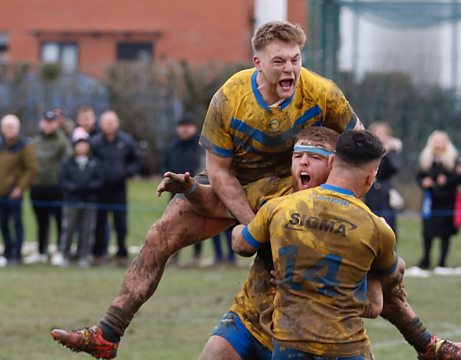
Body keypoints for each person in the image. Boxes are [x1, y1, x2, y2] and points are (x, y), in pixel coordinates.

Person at [51, 20, 362, 360]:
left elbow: (360, 146)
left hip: (290, 186)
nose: (290, 69)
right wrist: (253, 227)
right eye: (279, 61)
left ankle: (396, 335)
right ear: (257, 63)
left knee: (338, 258)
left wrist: (345, 200)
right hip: (231, 185)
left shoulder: (321, 92)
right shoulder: (230, 97)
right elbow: (219, 172)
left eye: (295, 59)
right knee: (159, 235)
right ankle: (107, 334)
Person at [232, 130, 461, 359]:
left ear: (332, 162)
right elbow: (390, 282)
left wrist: (240, 227)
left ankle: (427, 343)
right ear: (372, 176)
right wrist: (393, 257)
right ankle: (427, 344)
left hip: (288, 343)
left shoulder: (279, 207)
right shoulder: (375, 227)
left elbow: (242, 245)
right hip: (344, 345)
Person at [90, 110, 141, 266]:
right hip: (100, 189)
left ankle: (121, 253)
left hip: (119, 189)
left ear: (117, 124)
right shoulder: (95, 142)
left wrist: (127, 172)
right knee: (99, 222)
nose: (109, 125)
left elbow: (137, 160)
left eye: (112, 122)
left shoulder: (126, 141)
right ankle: (98, 253)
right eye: (106, 122)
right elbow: (89, 160)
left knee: (120, 223)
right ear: (101, 124)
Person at [160, 114, 211, 266]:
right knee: (173, 224)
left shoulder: (201, 146)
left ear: (194, 128)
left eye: (187, 127)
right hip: (174, 191)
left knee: (197, 223)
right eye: (181, 127)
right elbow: (164, 165)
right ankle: (174, 255)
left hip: (196, 189)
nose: (184, 130)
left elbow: (203, 166)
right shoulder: (173, 146)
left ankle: (197, 255)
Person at [24, 110, 70, 265]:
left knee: (58, 221)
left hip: (56, 187)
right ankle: (42, 251)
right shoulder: (35, 141)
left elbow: (67, 162)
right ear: (42, 123)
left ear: (56, 123)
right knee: (41, 222)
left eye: (52, 122)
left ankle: (59, 251)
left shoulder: (61, 141)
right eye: (46, 121)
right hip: (37, 187)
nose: (48, 125)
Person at [416, 130, 461, 269]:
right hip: (430, 202)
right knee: (427, 232)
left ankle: (442, 261)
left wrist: (446, 180)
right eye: (435, 140)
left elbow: (458, 178)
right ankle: (426, 258)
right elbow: (419, 176)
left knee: (445, 234)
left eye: (440, 140)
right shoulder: (426, 160)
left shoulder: (453, 160)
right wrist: (424, 182)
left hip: (446, 201)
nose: (438, 144)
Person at [52, 135, 103, 267]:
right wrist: (74, 188)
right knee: (68, 229)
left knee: (87, 230)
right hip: (71, 201)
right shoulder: (67, 163)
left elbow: (99, 180)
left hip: (89, 201)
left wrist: (87, 187)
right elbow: (62, 180)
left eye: (84, 144)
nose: (82, 147)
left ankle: (84, 256)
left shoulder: (94, 162)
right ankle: (64, 255)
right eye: (79, 144)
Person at [0, 114, 37, 265]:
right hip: (1, 192)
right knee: (3, 223)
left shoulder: (24, 146)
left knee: (16, 223)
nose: (8, 130)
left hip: (14, 192)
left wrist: (20, 188)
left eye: (11, 127)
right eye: (6, 127)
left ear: (17, 129)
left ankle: (17, 252)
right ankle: (8, 249)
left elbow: (31, 169)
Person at [363, 121, 402, 234]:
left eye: (382, 133)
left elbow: (395, 168)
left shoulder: (391, 152)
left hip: (385, 192)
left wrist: (386, 151)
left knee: (388, 225)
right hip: (369, 191)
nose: (379, 135)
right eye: (376, 132)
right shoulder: (366, 152)